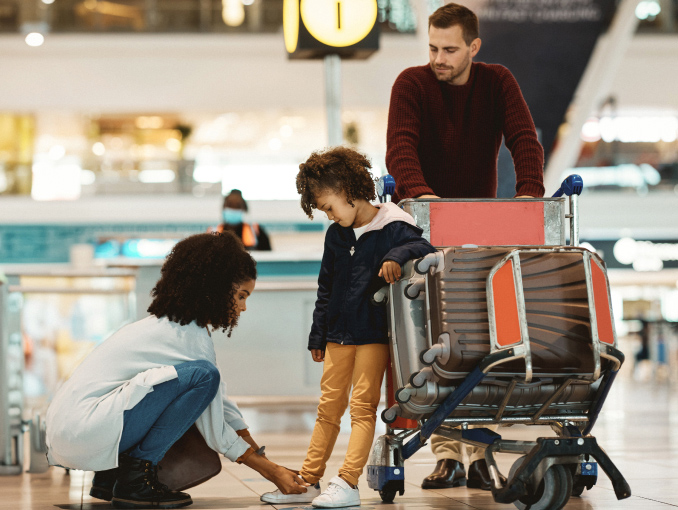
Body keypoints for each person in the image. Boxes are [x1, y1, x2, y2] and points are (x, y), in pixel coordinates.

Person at [385, 2, 545, 491]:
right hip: (422, 228)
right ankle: (448, 454)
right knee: (434, 345)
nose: (439, 57)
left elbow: (524, 139)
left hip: (478, 230)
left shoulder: (497, 82)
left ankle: (480, 452)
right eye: (433, 47)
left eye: (450, 49)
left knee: (480, 341)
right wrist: (423, 197)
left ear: (474, 47)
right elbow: (401, 148)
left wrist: (529, 198)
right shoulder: (411, 84)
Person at [45, 232, 308, 509]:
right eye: (241, 295)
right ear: (215, 288)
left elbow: (221, 403)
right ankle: (135, 480)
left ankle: (112, 476)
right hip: (85, 432)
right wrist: (270, 471)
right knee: (203, 376)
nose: (243, 307)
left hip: (74, 432)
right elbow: (216, 424)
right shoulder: (187, 337)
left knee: (203, 378)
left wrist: (265, 460)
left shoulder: (172, 328)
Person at [260, 146, 436, 508]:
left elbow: (424, 246)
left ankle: (347, 482)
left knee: (362, 407)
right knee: (328, 409)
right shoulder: (336, 236)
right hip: (338, 334)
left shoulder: (394, 225)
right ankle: (308, 482)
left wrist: (395, 256)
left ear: (349, 191)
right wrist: (317, 333)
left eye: (328, 207)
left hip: (373, 335)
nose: (328, 215)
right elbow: (325, 288)